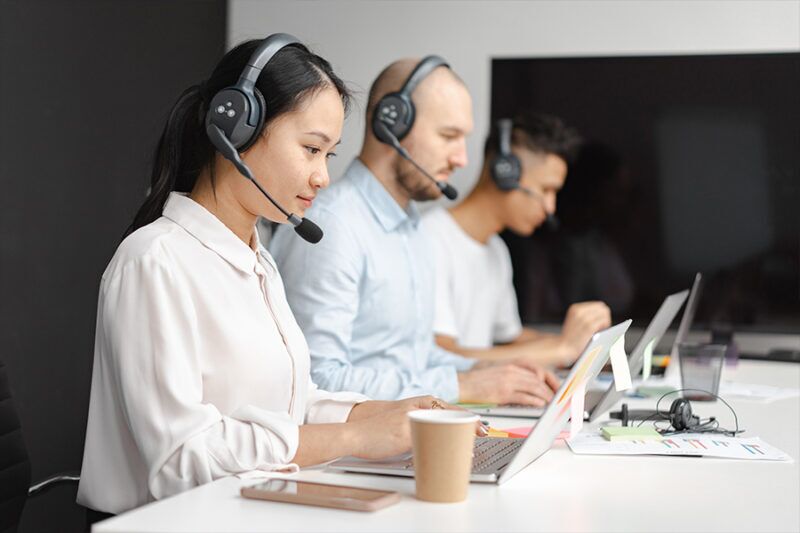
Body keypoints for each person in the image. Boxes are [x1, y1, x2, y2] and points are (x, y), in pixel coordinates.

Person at [77, 36, 463, 517]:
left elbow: (288, 405)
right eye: (310, 149)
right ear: (234, 128)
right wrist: (353, 437)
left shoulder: (259, 259)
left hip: (247, 512)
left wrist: (384, 414)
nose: (322, 176)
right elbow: (181, 459)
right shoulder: (154, 261)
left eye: (329, 155)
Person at [269, 57, 559, 407]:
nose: (462, 159)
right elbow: (316, 379)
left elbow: (415, 358)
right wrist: (464, 387)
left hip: (405, 439)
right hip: (346, 455)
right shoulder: (334, 227)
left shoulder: (412, 227)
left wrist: (488, 370)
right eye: (448, 136)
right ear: (393, 121)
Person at [422, 113, 612, 368]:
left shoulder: (496, 250)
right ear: (505, 172)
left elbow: (510, 339)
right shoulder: (430, 238)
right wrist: (561, 350)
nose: (550, 208)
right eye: (546, 189)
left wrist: (583, 345)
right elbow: (443, 356)